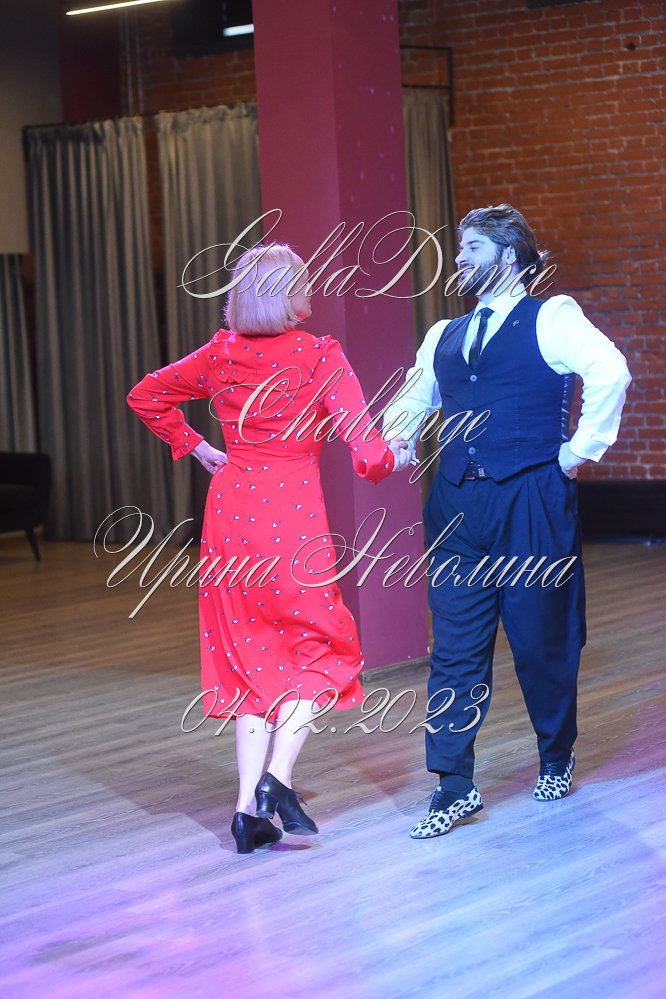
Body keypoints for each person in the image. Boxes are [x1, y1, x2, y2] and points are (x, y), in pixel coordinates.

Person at [128, 244, 406, 853]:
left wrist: (197, 447)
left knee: (250, 657)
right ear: (289, 294)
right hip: (292, 513)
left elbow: (146, 395)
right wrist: (396, 455)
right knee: (323, 649)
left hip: (231, 512)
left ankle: (245, 812)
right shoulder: (320, 355)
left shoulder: (220, 353)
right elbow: (368, 453)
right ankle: (277, 781)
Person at [383, 204, 631, 839]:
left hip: (530, 500)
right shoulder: (443, 332)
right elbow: (415, 393)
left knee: (540, 638)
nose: (459, 258)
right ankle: (454, 784)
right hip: (456, 507)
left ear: (510, 257)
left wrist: (577, 452)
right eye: (459, 248)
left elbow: (611, 371)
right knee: (454, 649)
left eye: (472, 247)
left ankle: (556, 754)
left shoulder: (552, 316)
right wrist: (398, 434)